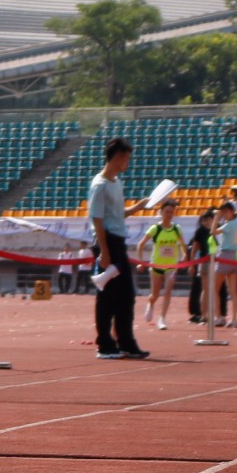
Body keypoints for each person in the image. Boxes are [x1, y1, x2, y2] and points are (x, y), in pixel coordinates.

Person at [87, 136, 148, 359]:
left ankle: (126, 342)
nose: (128, 163)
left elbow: (116, 214)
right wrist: (104, 251)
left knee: (126, 295)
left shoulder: (116, 182)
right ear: (118, 157)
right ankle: (104, 344)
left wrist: (136, 208)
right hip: (107, 241)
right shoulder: (100, 184)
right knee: (108, 296)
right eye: (127, 158)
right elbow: (98, 219)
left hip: (118, 241)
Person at [136, 199, 184, 332]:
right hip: (156, 265)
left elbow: (182, 245)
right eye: (167, 212)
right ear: (161, 213)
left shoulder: (177, 229)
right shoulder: (155, 228)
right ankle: (150, 303)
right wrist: (141, 261)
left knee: (168, 291)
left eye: (171, 212)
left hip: (171, 266)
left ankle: (162, 319)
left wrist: (184, 256)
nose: (169, 215)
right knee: (155, 294)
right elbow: (140, 245)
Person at [210, 201, 237, 327]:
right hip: (234, 257)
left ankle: (219, 317)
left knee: (214, 288)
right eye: (223, 212)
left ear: (232, 212)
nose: (224, 214)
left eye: (226, 212)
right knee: (233, 291)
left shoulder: (229, 225)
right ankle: (234, 319)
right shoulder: (236, 224)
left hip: (225, 256)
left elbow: (213, 232)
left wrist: (216, 217)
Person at [187, 208, 215, 323]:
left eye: (208, 219)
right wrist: (192, 264)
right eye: (204, 220)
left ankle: (215, 314)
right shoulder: (200, 231)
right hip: (205, 261)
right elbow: (194, 248)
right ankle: (204, 315)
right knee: (205, 289)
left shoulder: (218, 229)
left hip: (217, 261)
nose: (206, 222)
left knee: (215, 290)